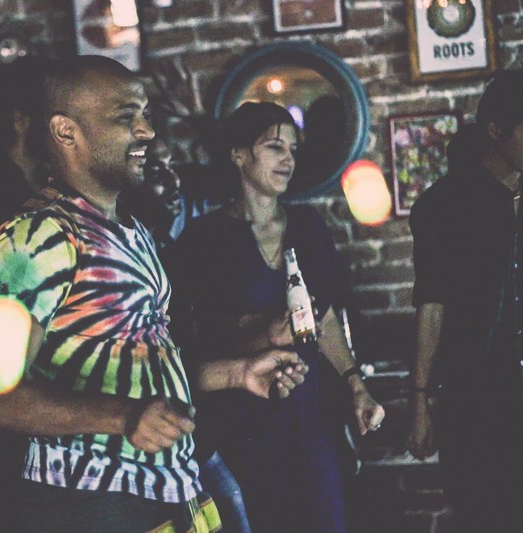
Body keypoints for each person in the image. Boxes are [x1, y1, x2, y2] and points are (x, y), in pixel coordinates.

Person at [0, 55, 308, 532]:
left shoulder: (130, 230)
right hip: (93, 504)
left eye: (145, 114)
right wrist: (124, 417)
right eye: (125, 117)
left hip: (169, 492)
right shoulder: (33, 238)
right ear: (66, 131)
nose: (147, 131)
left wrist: (237, 373)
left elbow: (142, 365)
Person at [176, 102, 384, 533]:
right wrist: (262, 334)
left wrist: (356, 386)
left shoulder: (308, 225)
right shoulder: (203, 238)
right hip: (243, 416)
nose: (288, 159)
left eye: (293, 149)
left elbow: (325, 319)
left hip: (312, 411)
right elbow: (195, 342)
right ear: (238, 154)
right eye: (274, 147)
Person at [406, 70, 523, 532]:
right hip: (477, 399)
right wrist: (419, 400)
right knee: (486, 515)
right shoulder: (444, 206)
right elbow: (431, 304)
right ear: (496, 130)